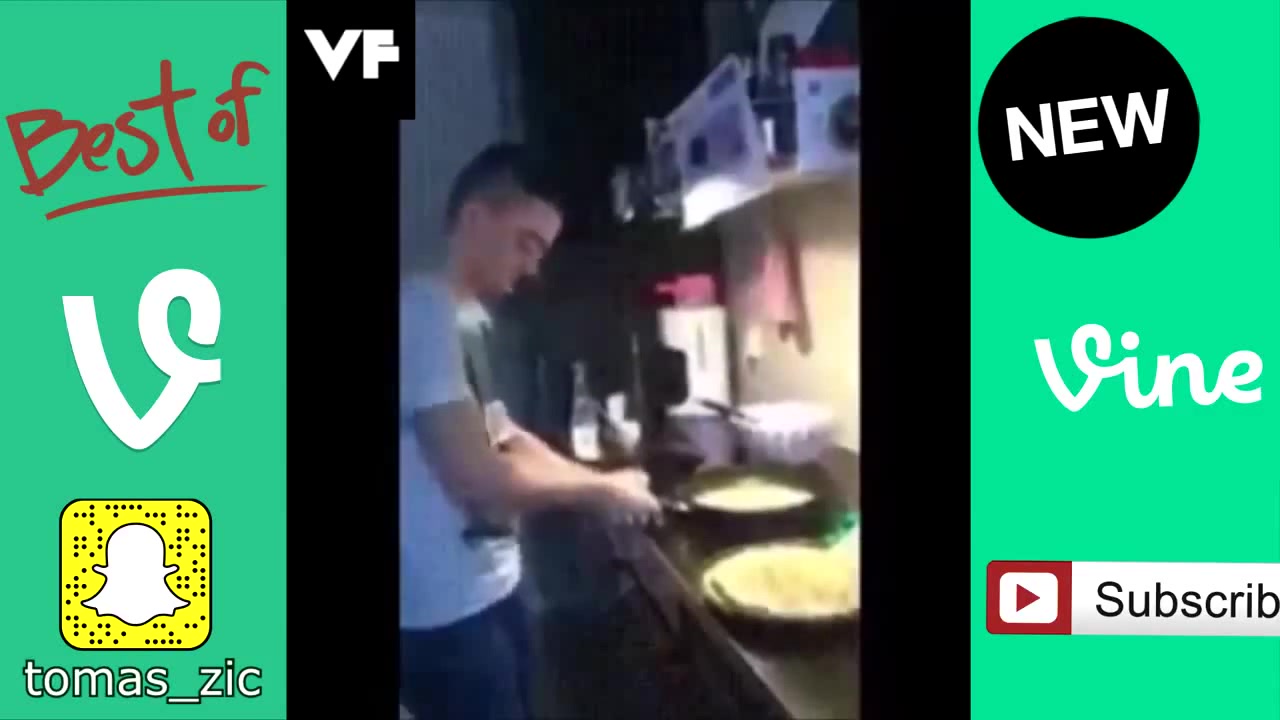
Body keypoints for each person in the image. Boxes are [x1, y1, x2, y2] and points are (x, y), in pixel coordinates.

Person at [399, 142, 662, 720]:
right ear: (475, 218)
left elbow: (507, 435)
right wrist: (602, 491)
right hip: (445, 618)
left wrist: (602, 480)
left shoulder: (467, 318)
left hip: (490, 589)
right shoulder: (419, 312)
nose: (533, 267)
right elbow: (477, 481)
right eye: (526, 243)